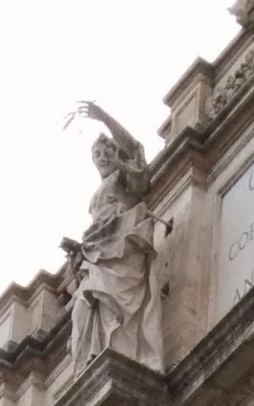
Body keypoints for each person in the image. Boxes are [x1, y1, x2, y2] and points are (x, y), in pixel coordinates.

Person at [65, 103, 165, 375]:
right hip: (97, 254)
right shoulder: (98, 192)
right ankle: (93, 359)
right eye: (97, 154)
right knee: (82, 309)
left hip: (121, 249)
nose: (102, 157)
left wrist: (105, 118)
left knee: (109, 302)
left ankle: (117, 352)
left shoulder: (122, 176)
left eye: (107, 151)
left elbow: (133, 149)